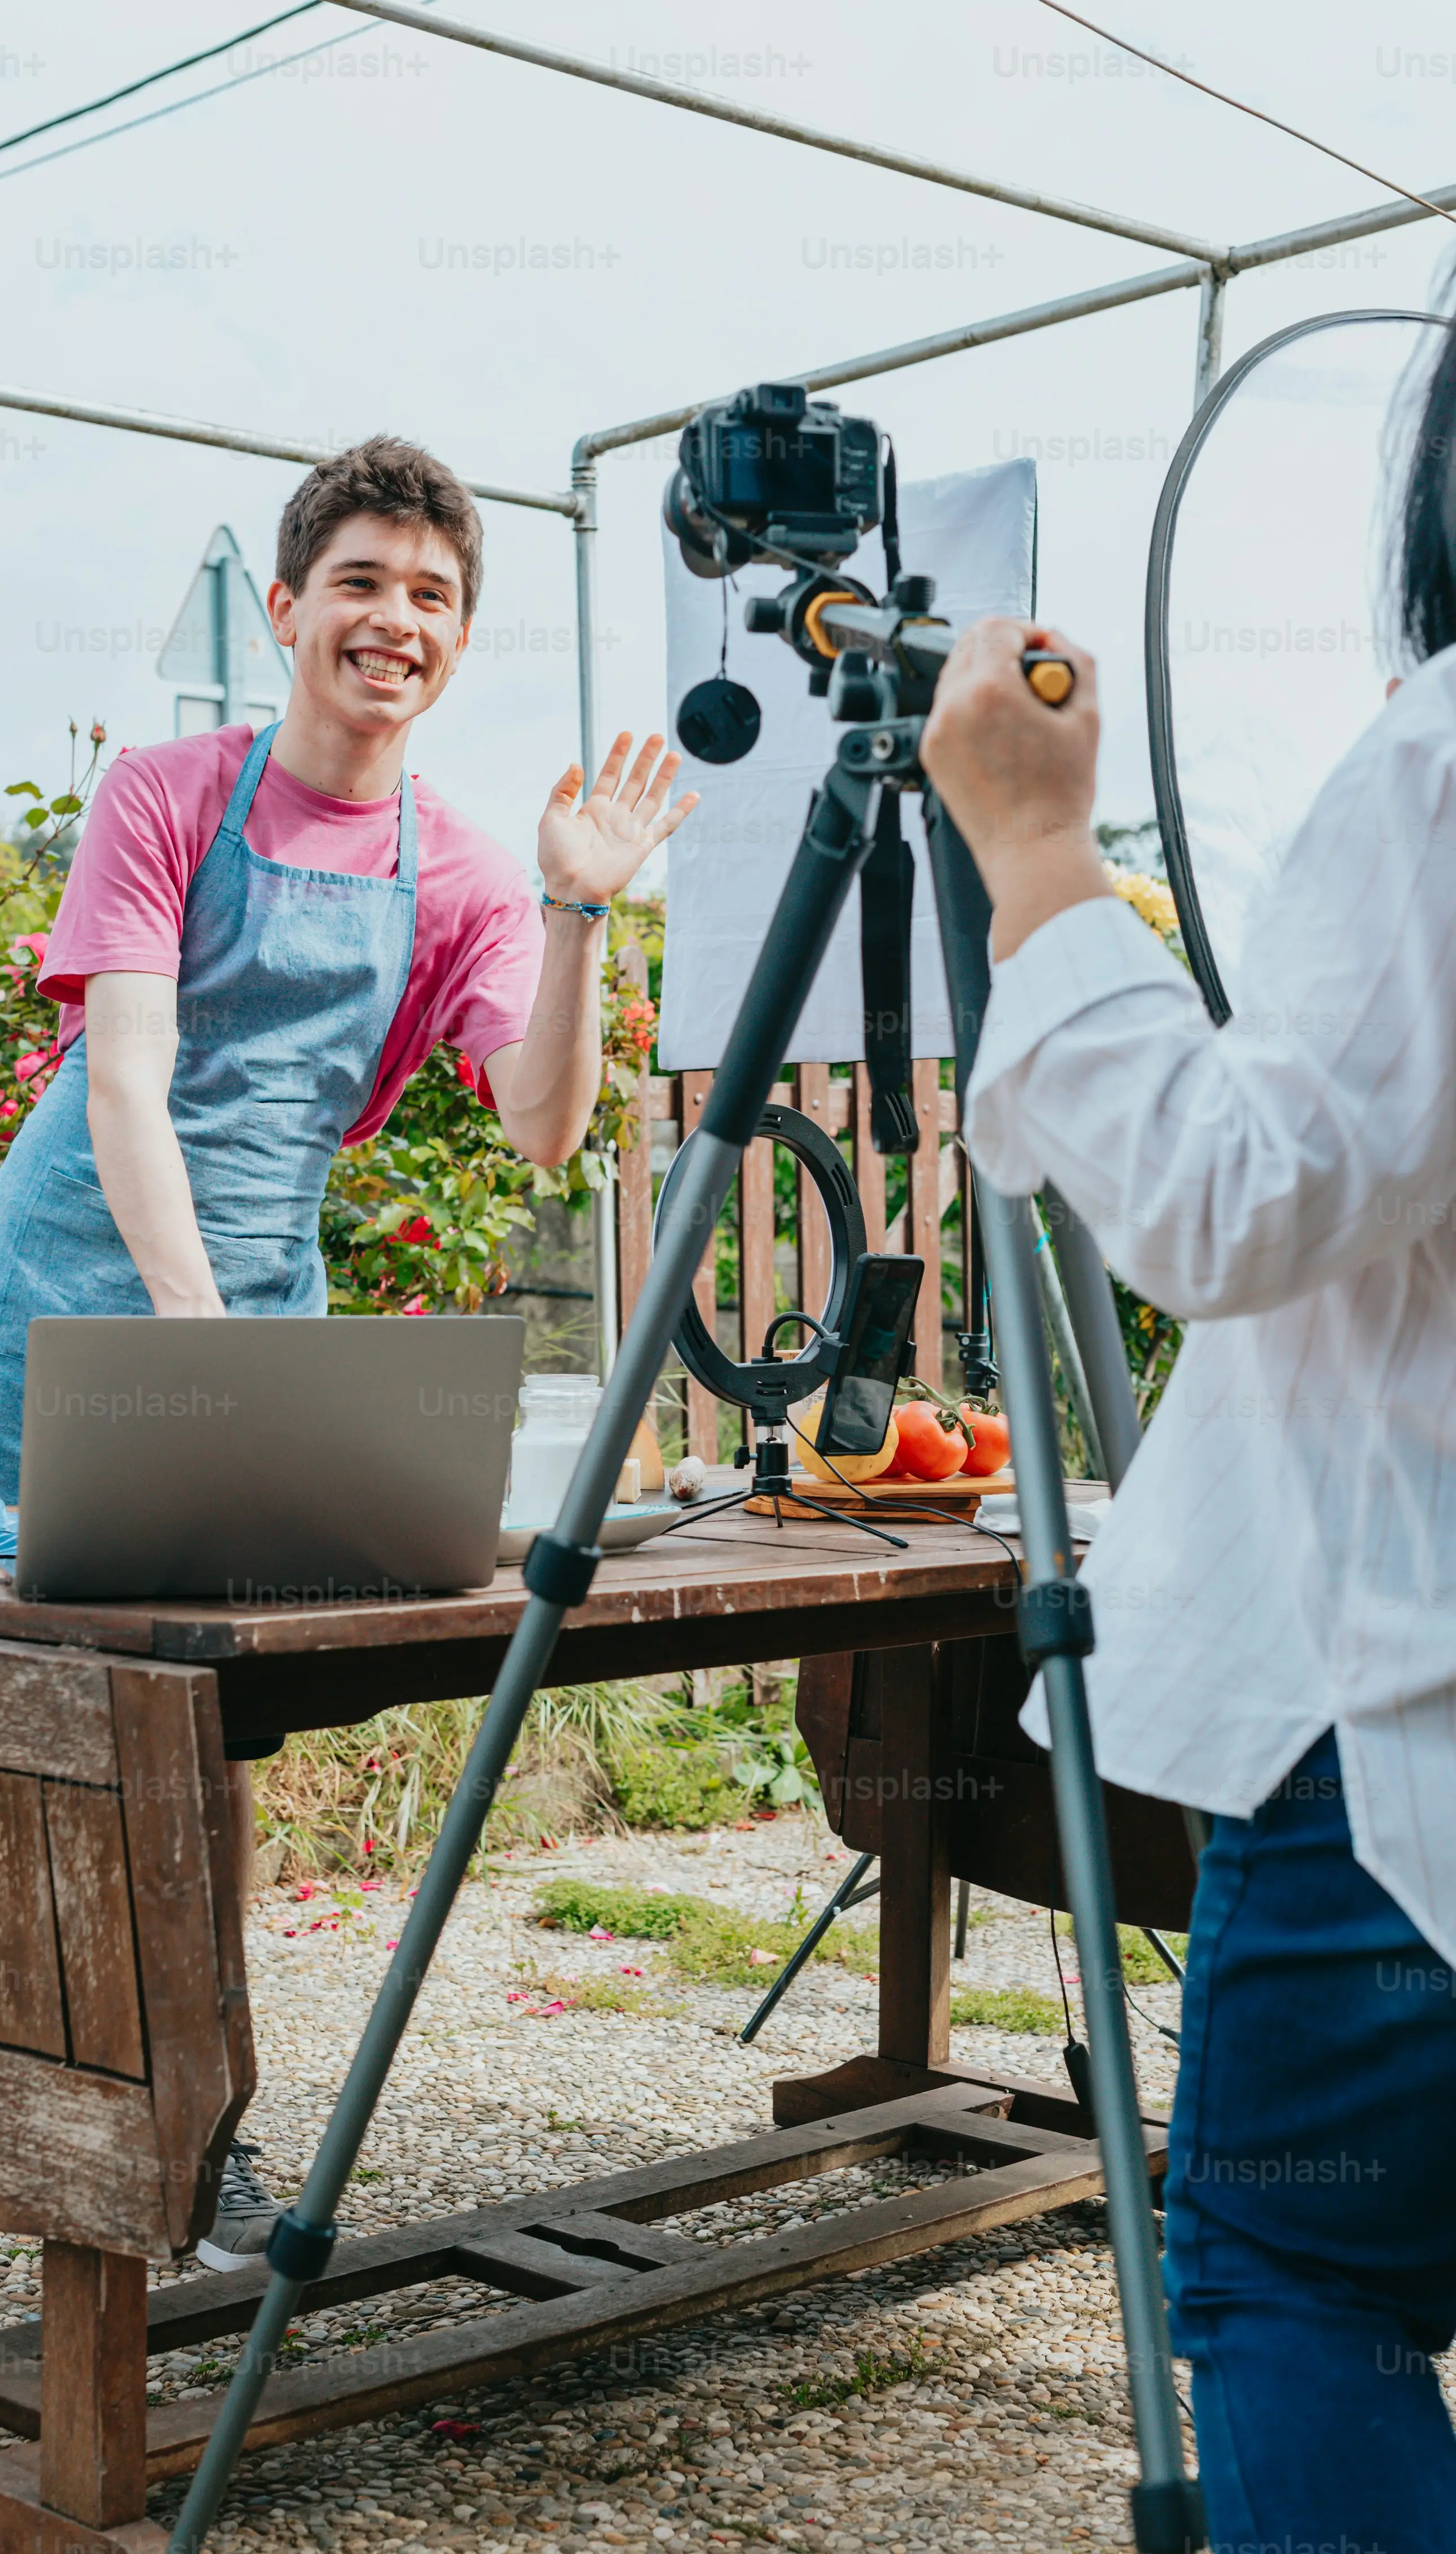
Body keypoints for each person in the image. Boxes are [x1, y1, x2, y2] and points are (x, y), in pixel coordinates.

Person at [0, 435, 695, 2266]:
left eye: (430, 594)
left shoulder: (471, 869)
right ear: (288, 609)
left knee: (202, 1730)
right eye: (361, 583)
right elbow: (127, 1083)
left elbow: (546, 1126)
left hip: (248, 1303)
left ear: (458, 639)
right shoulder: (167, 795)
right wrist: (200, 1350)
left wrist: (577, 913)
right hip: (54, 1307)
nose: (392, 620)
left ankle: (201, 2137)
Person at [919, 321, 1456, 2554]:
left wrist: (1038, 858)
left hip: (1394, 1709)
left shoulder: (1441, 761)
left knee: (1294, 2276)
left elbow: (1236, 1197)